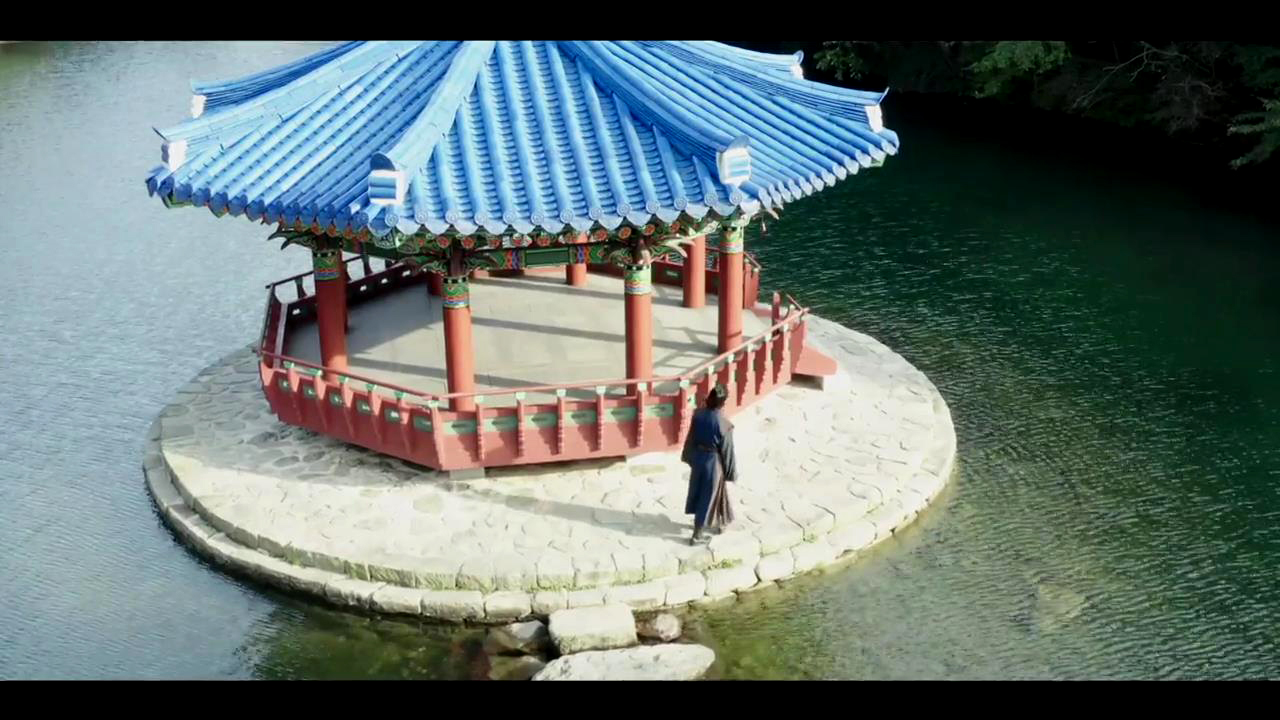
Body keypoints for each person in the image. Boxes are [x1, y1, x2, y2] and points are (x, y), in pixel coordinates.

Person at [681, 383, 737, 545]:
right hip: (713, 461)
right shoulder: (724, 424)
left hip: (698, 457)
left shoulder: (698, 415)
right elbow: (727, 450)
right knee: (708, 494)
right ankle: (697, 535)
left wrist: (688, 456)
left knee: (704, 491)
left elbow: (691, 438)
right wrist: (731, 471)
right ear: (723, 402)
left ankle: (720, 522)